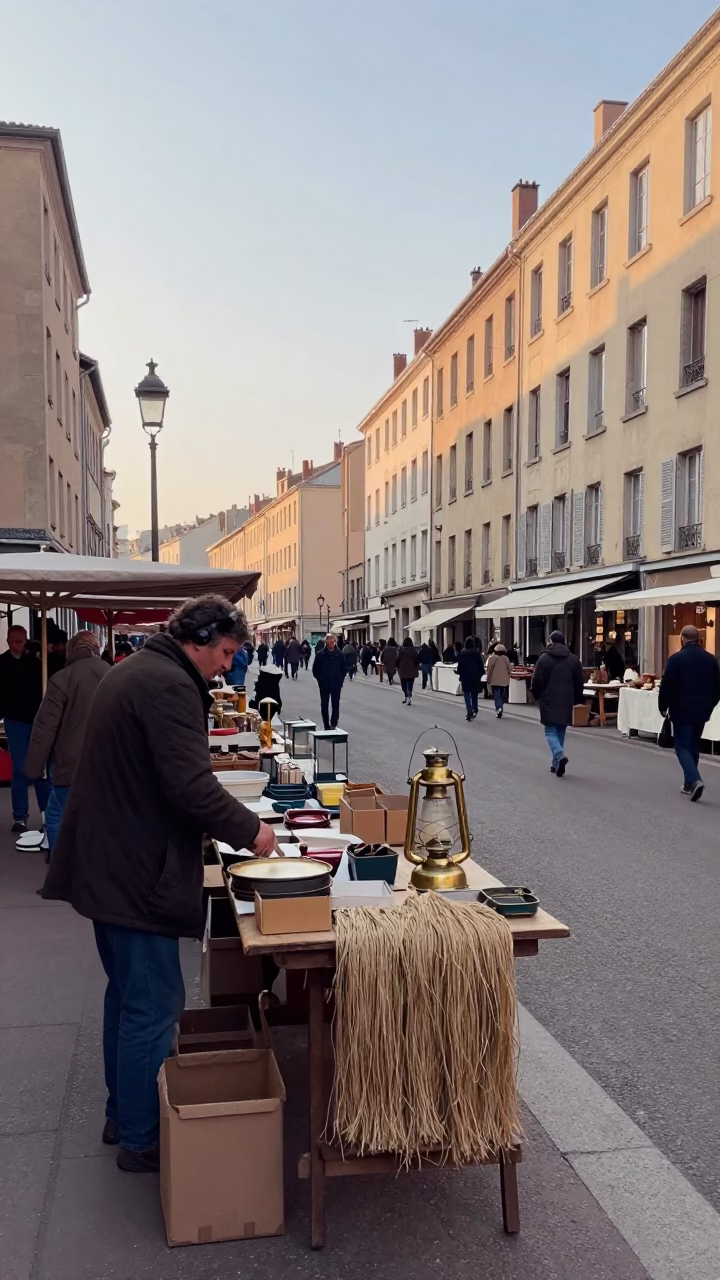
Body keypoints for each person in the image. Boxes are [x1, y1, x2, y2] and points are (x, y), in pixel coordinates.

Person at [42, 596, 277, 1173]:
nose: (227, 665)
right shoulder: (168, 685)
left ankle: (124, 1113)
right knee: (153, 1005)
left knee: (126, 997)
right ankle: (143, 1141)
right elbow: (190, 786)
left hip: (109, 863)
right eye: (225, 653)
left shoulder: (143, 670)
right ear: (199, 638)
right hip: (133, 871)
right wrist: (254, 833)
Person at [25, 631, 108, 853]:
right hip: (108, 763)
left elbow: (45, 727)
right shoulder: (113, 674)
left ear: (71, 650)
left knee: (56, 816)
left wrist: (33, 768)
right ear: (96, 649)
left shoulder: (62, 678)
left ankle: (59, 878)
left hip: (71, 763)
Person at [658, 624, 720, 802]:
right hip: (702, 709)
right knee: (693, 745)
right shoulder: (711, 660)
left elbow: (667, 686)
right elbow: (717, 687)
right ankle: (688, 784)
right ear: (699, 639)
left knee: (681, 746)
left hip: (681, 708)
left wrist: (663, 706)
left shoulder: (676, 659)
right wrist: (710, 705)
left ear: (682, 638)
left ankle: (694, 780)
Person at [0, 624, 51, 833]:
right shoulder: (1, 663)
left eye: (21, 641)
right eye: (15, 641)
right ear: (8, 641)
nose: (18, 645)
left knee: (40, 768)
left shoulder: (36, 664)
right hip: (14, 721)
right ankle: (20, 816)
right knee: (20, 769)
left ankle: (47, 814)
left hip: (36, 720)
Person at [530, 630, 584, 777]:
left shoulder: (544, 658)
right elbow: (579, 681)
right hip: (566, 699)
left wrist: (536, 694)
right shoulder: (573, 659)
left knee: (550, 730)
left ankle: (559, 755)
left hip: (548, 698)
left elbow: (537, 680)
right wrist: (577, 698)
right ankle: (555, 764)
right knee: (561, 729)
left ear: (551, 641)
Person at [312, 633, 345, 729]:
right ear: (326, 643)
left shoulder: (340, 654)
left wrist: (340, 680)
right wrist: (320, 680)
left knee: (335, 704)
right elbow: (315, 670)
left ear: (335, 642)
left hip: (336, 683)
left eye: (332, 642)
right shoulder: (320, 655)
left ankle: (334, 722)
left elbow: (344, 669)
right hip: (324, 684)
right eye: (329, 642)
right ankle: (326, 724)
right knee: (324, 704)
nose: (331, 644)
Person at [456, 637, 485, 721]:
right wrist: (482, 673)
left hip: (465, 676)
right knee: (474, 694)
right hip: (475, 676)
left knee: (467, 694)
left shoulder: (462, 652)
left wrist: (458, 672)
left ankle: (469, 710)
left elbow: (460, 664)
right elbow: (480, 664)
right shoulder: (477, 652)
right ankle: (475, 709)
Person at [486, 643, 512, 718]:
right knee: (501, 694)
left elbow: (489, 670)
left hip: (495, 680)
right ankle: (501, 708)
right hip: (504, 681)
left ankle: (498, 708)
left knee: (496, 694)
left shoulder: (492, 658)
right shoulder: (506, 658)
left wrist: (488, 679)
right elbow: (510, 669)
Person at [397, 637, 419, 705]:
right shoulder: (414, 651)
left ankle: (406, 696)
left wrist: (397, 666)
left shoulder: (401, 650)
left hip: (403, 669)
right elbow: (417, 660)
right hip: (412, 670)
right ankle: (409, 696)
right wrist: (416, 666)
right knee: (410, 684)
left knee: (403, 684)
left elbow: (398, 659)